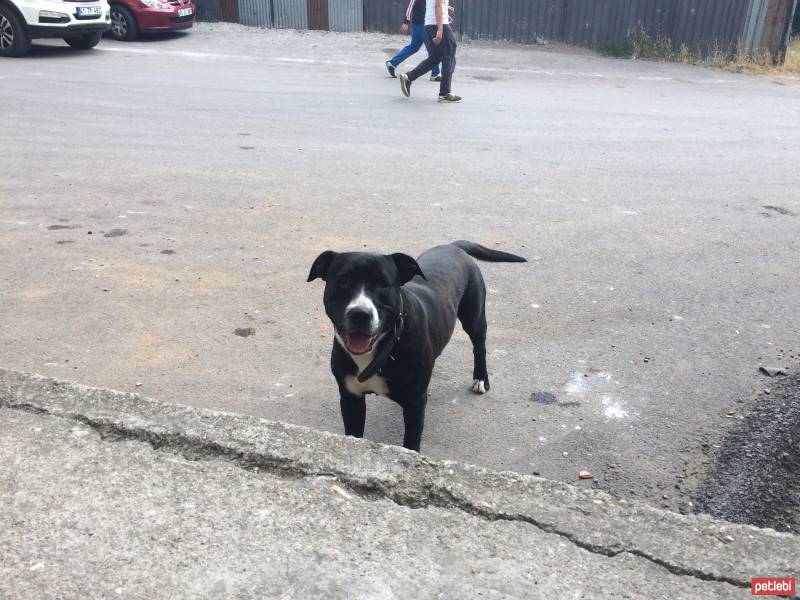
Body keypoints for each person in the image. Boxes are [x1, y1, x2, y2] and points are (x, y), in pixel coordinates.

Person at [398, 0, 461, 103]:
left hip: (430, 23)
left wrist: (445, 11)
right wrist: (440, 29)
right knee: (449, 54)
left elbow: (435, 4)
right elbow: (437, 6)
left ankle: (409, 77)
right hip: (437, 24)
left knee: (436, 57)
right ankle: (445, 93)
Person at [385, 0, 441, 82]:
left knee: (414, 47)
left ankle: (393, 63)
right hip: (422, 24)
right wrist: (406, 22)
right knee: (432, 49)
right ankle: (435, 74)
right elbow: (410, 5)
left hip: (423, 23)